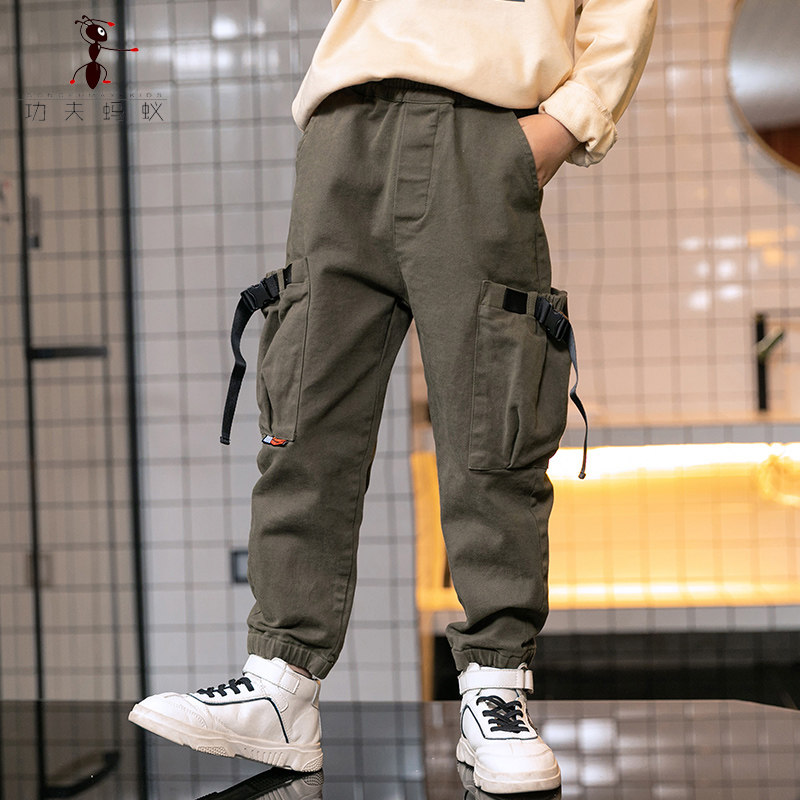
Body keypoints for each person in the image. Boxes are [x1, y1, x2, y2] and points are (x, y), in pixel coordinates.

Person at [130, 0, 657, 792]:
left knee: (492, 433)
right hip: (343, 127)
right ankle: (280, 687)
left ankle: (495, 688)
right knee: (303, 422)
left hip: (482, 130)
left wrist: (564, 123)